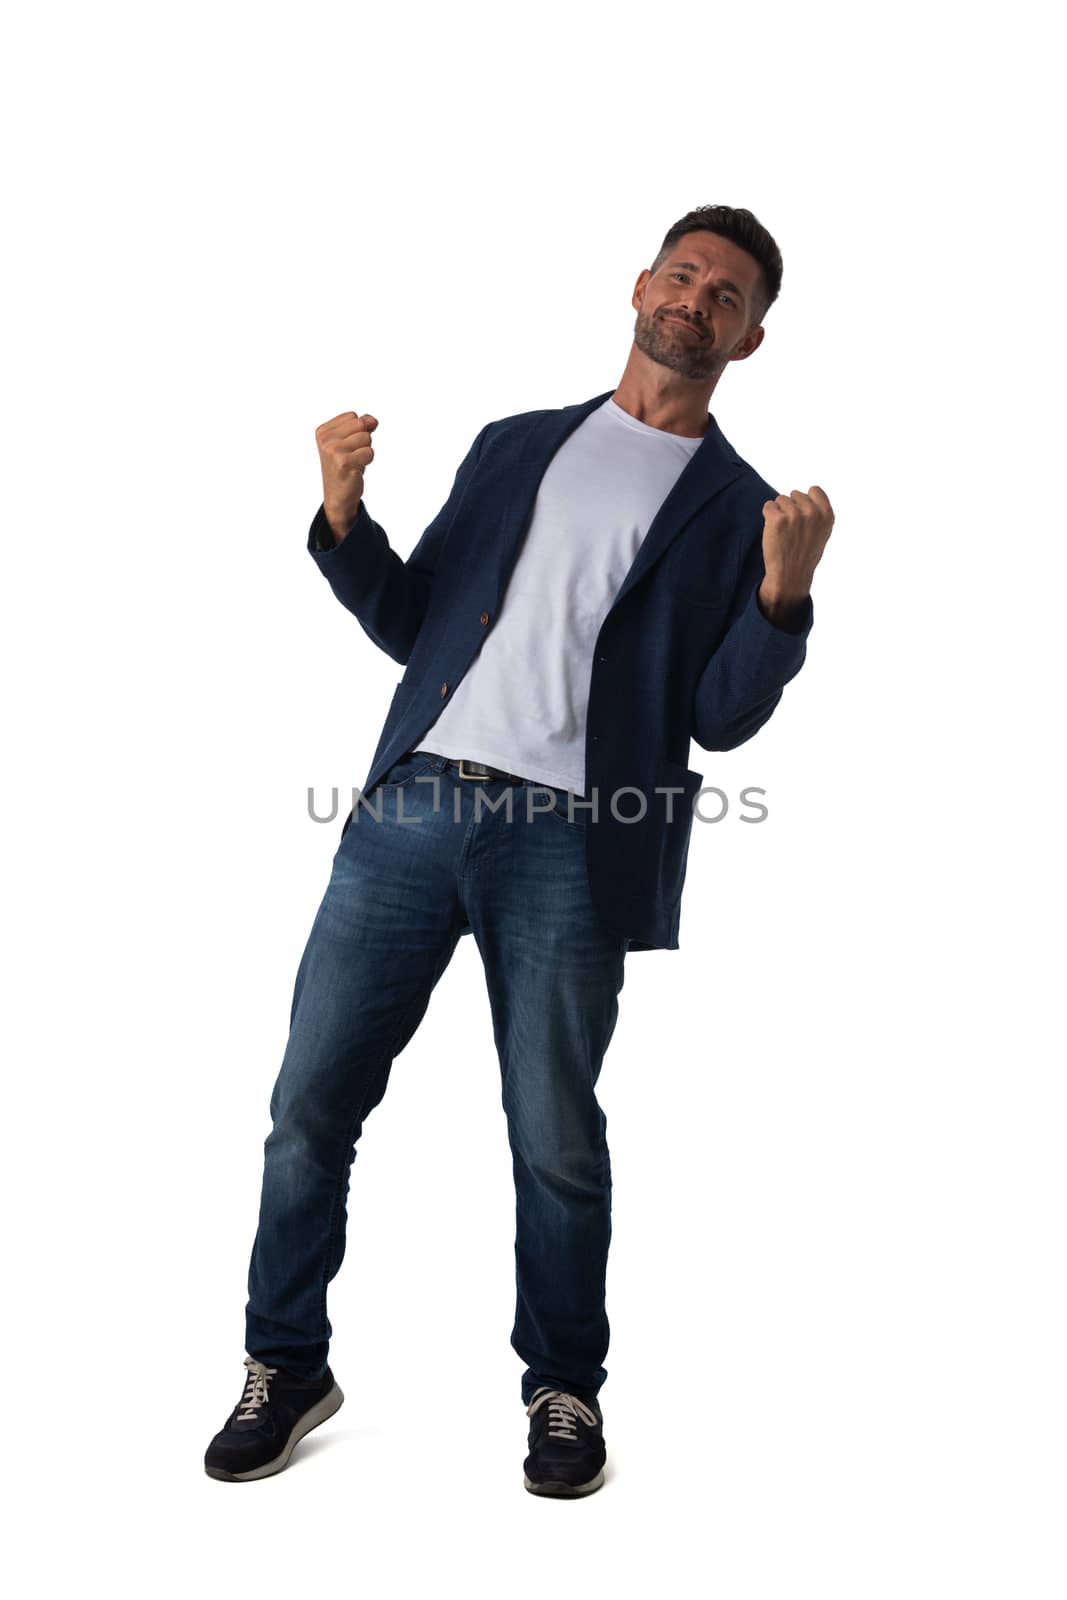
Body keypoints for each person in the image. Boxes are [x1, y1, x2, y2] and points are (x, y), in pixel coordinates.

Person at [204, 204, 835, 1494]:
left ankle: (563, 1393)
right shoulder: (516, 446)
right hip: (411, 811)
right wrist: (343, 512)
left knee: (554, 1134)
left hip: (574, 845)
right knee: (308, 1107)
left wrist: (784, 594)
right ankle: (285, 1360)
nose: (696, 300)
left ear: (751, 338)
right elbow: (415, 624)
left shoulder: (744, 510)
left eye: (726, 295)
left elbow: (717, 718)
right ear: (639, 286)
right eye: (683, 274)